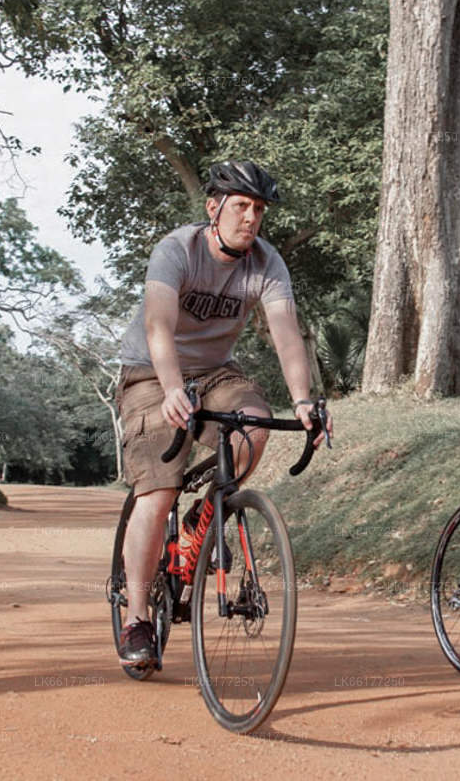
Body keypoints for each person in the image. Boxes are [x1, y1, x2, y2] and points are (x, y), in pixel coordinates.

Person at [112, 160, 329, 671]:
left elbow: (286, 334)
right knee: (158, 490)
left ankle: (202, 518)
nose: (251, 218)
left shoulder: (267, 263)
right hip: (151, 373)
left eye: (259, 210)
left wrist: (304, 400)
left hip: (215, 373)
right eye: (241, 206)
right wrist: (171, 389)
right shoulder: (176, 250)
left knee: (254, 426)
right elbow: (158, 326)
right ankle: (137, 618)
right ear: (214, 208)